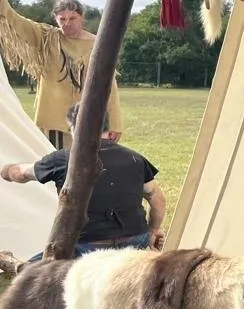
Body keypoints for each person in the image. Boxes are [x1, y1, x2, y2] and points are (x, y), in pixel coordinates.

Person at [0, 102, 163, 274]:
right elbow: (158, 199)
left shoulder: (62, 159)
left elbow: (20, 173)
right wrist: (153, 230)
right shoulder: (135, 158)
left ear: (74, 128)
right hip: (135, 241)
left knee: (30, 276)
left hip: (87, 245)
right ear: (107, 127)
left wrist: (5, 170)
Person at [0, 0, 123, 148]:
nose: (67, 23)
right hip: (53, 121)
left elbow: (109, 86)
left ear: (82, 17)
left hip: (85, 120)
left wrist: (115, 123)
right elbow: (19, 23)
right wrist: (2, 4)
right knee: (55, 161)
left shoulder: (97, 44)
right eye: (62, 19)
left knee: (86, 161)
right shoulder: (47, 38)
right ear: (56, 19)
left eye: (72, 18)